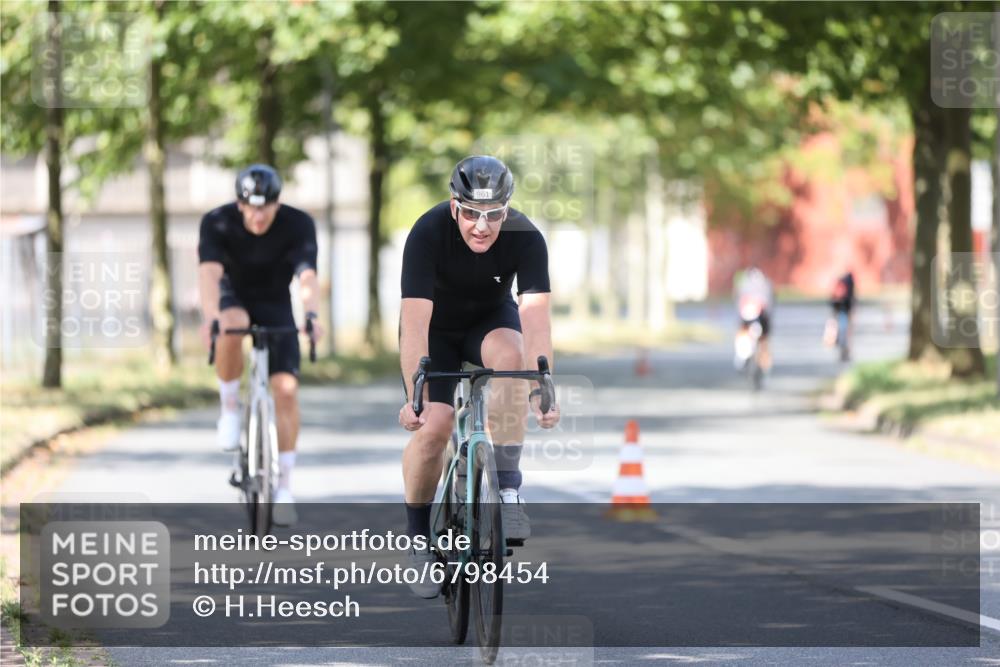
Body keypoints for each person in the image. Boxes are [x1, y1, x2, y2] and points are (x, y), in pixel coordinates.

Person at [397, 155, 560, 598]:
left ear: (507, 209)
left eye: (493, 214)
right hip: (435, 329)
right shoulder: (427, 232)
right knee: (435, 424)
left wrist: (541, 387)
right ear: (455, 207)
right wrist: (415, 395)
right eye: (471, 213)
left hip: (489, 322)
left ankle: (507, 490)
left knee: (513, 355)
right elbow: (414, 322)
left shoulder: (527, 237)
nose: (482, 226)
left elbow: (536, 320)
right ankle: (417, 540)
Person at [197, 164, 322, 526]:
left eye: (265, 207)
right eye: (250, 208)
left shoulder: (298, 224)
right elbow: (208, 273)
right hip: (231, 296)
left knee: (286, 390)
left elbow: (307, 276)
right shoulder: (216, 222)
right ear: (239, 204)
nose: (258, 215)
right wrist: (210, 317)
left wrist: (312, 315)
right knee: (230, 325)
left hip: (275, 302)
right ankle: (229, 406)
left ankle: (283, 487)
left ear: (277, 203)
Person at [733, 265, 774, 374]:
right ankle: (751, 358)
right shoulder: (764, 285)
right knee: (759, 339)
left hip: (759, 317)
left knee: (762, 340)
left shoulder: (745, 284)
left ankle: (763, 363)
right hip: (751, 317)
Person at [830, 270, 856, 361]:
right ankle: (843, 349)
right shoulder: (847, 287)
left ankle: (844, 350)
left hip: (842, 312)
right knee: (844, 331)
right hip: (843, 312)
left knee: (844, 332)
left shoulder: (845, 287)